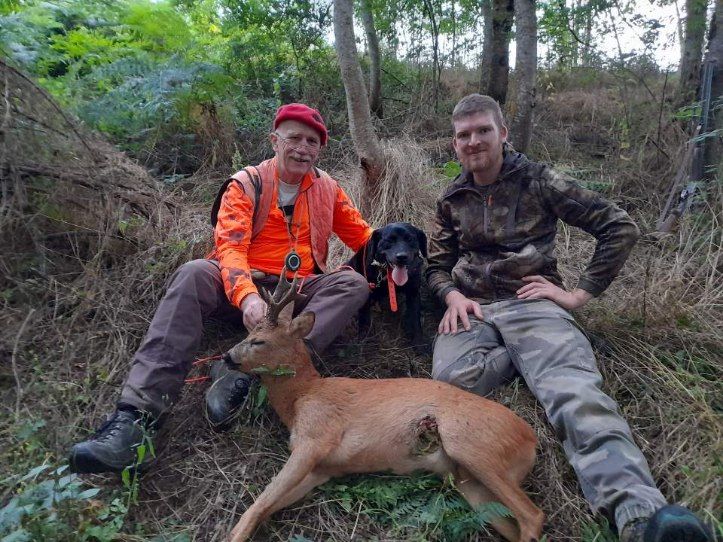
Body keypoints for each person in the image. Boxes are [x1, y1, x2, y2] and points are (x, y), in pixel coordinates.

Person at [426, 94, 711, 542]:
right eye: (464, 135)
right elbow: (436, 265)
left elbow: (618, 226)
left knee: (575, 394)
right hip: (475, 308)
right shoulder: (452, 197)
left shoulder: (539, 180)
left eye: (483, 130)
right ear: (455, 144)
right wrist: (452, 295)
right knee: (448, 382)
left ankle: (639, 515)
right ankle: (527, 359)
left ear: (503, 133)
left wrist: (577, 295)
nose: (474, 141)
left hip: (532, 303)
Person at [70, 103, 373, 473]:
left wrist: (406, 249)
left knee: (352, 283)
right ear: (274, 140)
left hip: (295, 292)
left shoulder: (328, 189)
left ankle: (249, 369)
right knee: (194, 272)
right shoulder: (246, 183)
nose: (303, 148)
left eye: (312, 141)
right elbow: (230, 246)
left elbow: (364, 236)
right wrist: (246, 297)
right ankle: (136, 421)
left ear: (320, 149)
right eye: (294, 138)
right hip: (246, 284)